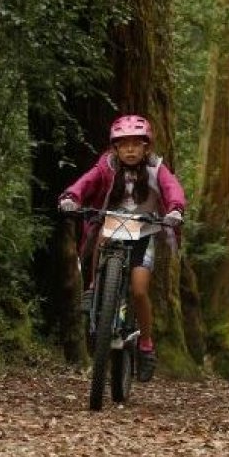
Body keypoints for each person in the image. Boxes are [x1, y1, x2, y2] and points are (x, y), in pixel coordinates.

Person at [58, 114, 186, 382]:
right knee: (97, 239)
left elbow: (171, 187)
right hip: (112, 225)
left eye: (135, 144)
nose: (130, 150)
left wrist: (175, 209)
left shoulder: (155, 167)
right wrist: (71, 196)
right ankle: (93, 289)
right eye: (123, 144)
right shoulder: (106, 166)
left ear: (146, 147)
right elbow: (86, 182)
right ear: (114, 148)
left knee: (139, 290)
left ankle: (146, 345)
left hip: (144, 230)